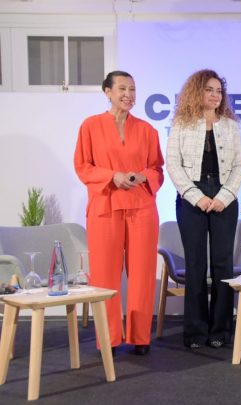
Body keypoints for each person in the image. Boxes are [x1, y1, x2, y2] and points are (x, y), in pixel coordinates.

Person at [74, 71, 164, 355]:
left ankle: (140, 337)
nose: (128, 94)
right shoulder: (90, 126)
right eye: (122, 88)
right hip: (105, 206)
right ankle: (109, 337)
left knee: (143, 273)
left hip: (142, 208)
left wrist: (142, 176)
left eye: (133, 89)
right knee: (104, 275)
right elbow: (83, 166)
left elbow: (157, 169)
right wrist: (112, 176)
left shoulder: (147, 130)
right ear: (108, 92)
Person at [166, 69, 241, 349]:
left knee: (223, 263)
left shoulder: (231, 126)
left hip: (224, 196)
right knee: (196, 264)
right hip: (192, 198)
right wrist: (195, 196)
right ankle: (195, 332)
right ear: (196, 92)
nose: (215, 95)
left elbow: (239, 166)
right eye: (209, 90)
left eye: (218, 91)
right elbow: (173, 164)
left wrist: (224, 196)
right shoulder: (181, 124)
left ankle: (220, 331)